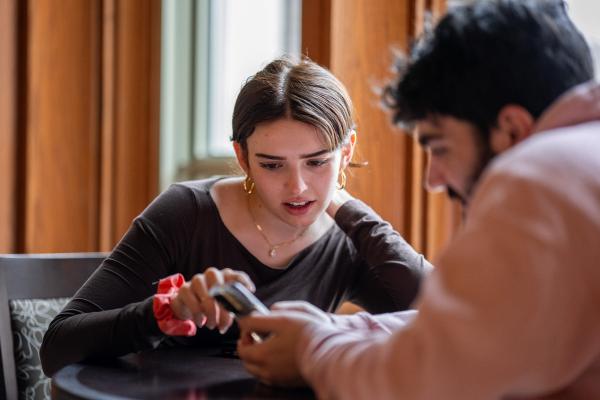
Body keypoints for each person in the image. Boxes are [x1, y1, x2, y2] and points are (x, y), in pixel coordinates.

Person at [236, 1, 600, 398]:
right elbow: (485, 331)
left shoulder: (539, 176)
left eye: (439, 147)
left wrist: (312, 349)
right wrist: (335, 330)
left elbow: (436, 379)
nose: (433, 179)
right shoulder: (581, 165)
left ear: (511, 130)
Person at [40, 57, 431, 376]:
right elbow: (57, 345)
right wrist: (166, 311)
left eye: (316, 162)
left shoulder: (349, 238)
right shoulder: (186, 214)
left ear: (346, 152)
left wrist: (350, 211)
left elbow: (437, 318)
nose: (298, 187)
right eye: (272, 165)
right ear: (243, 157)